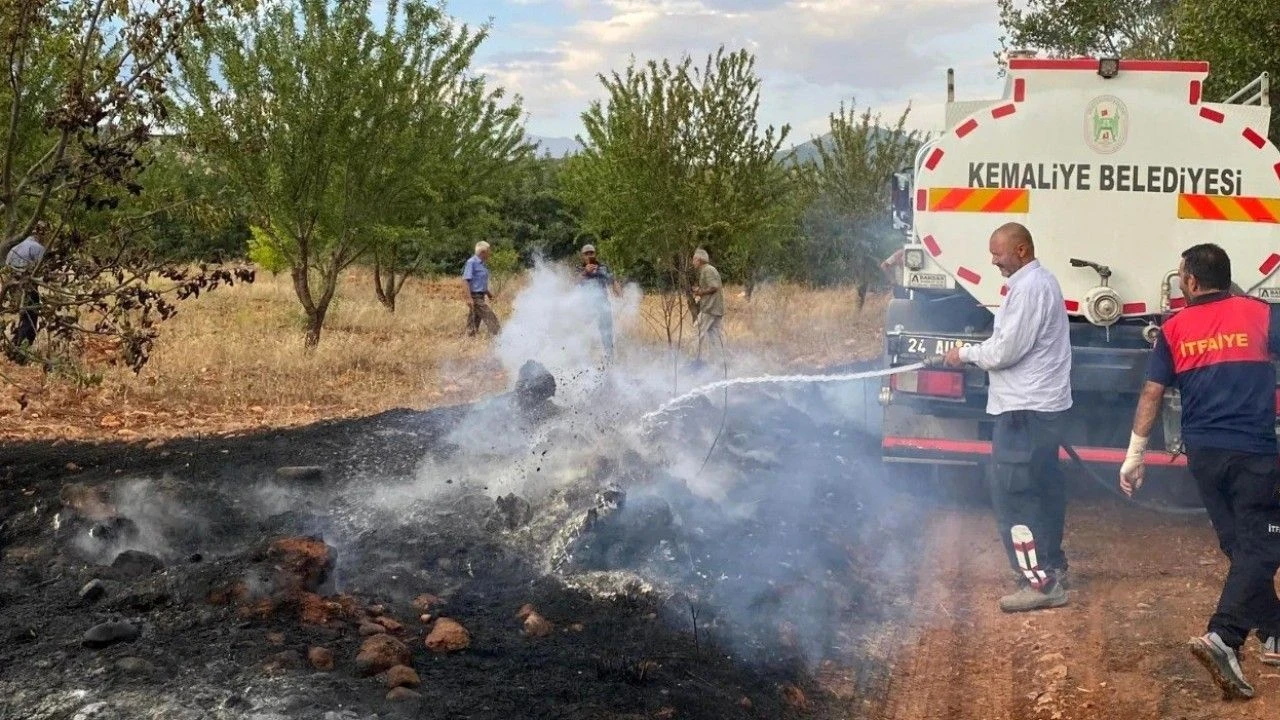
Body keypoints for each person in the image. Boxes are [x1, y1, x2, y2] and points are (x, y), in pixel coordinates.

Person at [1119, 243, 1280, 700]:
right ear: (1227, 280)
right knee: (1265, 544)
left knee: (1239, 543)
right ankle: (1224, 637)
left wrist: (1135, 455)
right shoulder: (1262, 315)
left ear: (1190, 282)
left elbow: (1152, 394)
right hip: (1253, 452)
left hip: (1204, 455)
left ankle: (1275, 631)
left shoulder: (1174, 327)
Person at [943, 222, 1073, 612]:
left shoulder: (1030, 288)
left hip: (1024, 409)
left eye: (998, 253)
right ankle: (1051, 565)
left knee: (1014, 494)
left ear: (1021, 250)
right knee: (1042, 486)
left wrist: (964, 354)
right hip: (1039, 407)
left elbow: (1005, 352)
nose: (993, 260)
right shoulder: (1038, 284)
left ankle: (1040, 583)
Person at [5, 228, 46, 362]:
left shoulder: (15, 248)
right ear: (40, 235)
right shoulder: (37, 248)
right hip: (28, 287)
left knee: (24, 317)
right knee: (30, 318)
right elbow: (43, 271)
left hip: (13, 286)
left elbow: (7, 267)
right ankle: (20, 353)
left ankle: (13, 349)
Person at [578, 244, 620, 362]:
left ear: (595, 254)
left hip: (603, 307)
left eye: (591, 253)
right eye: (586, 254)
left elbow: (612, 280)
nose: (589, 255)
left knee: (607, 336)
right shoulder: (579, 269)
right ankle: (586, 363)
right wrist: (585, 272)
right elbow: (573, 283)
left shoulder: (602, 268)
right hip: (586, 310)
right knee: (586, 337)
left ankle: (610, 362)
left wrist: (616, 287)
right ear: (582, 256)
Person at [690, 248, 724, 367]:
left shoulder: (707, 270)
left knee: (696, 333)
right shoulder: (709, 270)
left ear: (699, 260)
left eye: (694, 259)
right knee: (715, 339)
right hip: (716, 309)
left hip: (709, 309)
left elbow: (714, 287)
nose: (692, 261)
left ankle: (693, 363)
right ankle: (719, 365)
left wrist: (700, 292)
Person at [461, 241, 500, 337]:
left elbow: (480, 282)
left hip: (481, 295)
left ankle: (468, 340)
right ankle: (499, 338)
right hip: (475, 296)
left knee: (474, 320)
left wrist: (488, 294)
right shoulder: (471, 262)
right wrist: (469, 298)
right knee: (490, 316)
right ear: (483, 252)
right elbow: (465, 280)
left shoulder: (482, 264)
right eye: (488, 251)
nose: (490, 253)